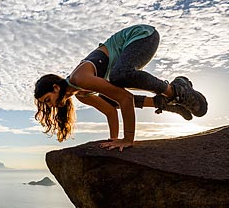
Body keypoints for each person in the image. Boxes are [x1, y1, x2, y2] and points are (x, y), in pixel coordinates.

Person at [34, 24, 208, 152]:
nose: (50, 106)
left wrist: (128, 139)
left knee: (119, 77)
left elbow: (126, 98)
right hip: (132, 49)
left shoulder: (79, 78)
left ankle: (176, 90)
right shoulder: (81, 94)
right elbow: (110, 111)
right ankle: (162, 102)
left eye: (48, 100)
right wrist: (114, 141)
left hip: (142, 36)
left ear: (56, 88)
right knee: (112, 96)